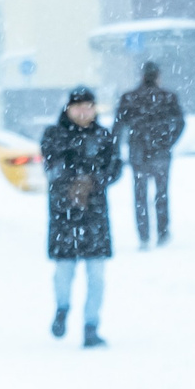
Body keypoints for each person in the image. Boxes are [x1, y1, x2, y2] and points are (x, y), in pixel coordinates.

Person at [41, 85, 121, 348]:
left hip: (95, 214)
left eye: (89, 106)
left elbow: (115, 167)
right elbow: (51, 165)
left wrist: (94, 181)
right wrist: (71, 183)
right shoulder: (54, 135)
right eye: (79, 107)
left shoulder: (104, 136)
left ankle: (91, 326)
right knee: (63, 272)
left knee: (96, 276)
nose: (84, 112)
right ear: (69, 108)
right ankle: (62, 308)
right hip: (64, 215)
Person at [116, 61, 186, 248]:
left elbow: (118, 126)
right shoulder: (168, 97)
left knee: (140, 195)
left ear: (142, 75)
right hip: (161, 153)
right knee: (161, 193)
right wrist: (168, 141)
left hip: (138, 152)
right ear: (158, 76)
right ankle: (162, 232)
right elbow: (180, 123)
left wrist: (117, 148)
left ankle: (143, 236)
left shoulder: (129, 98)